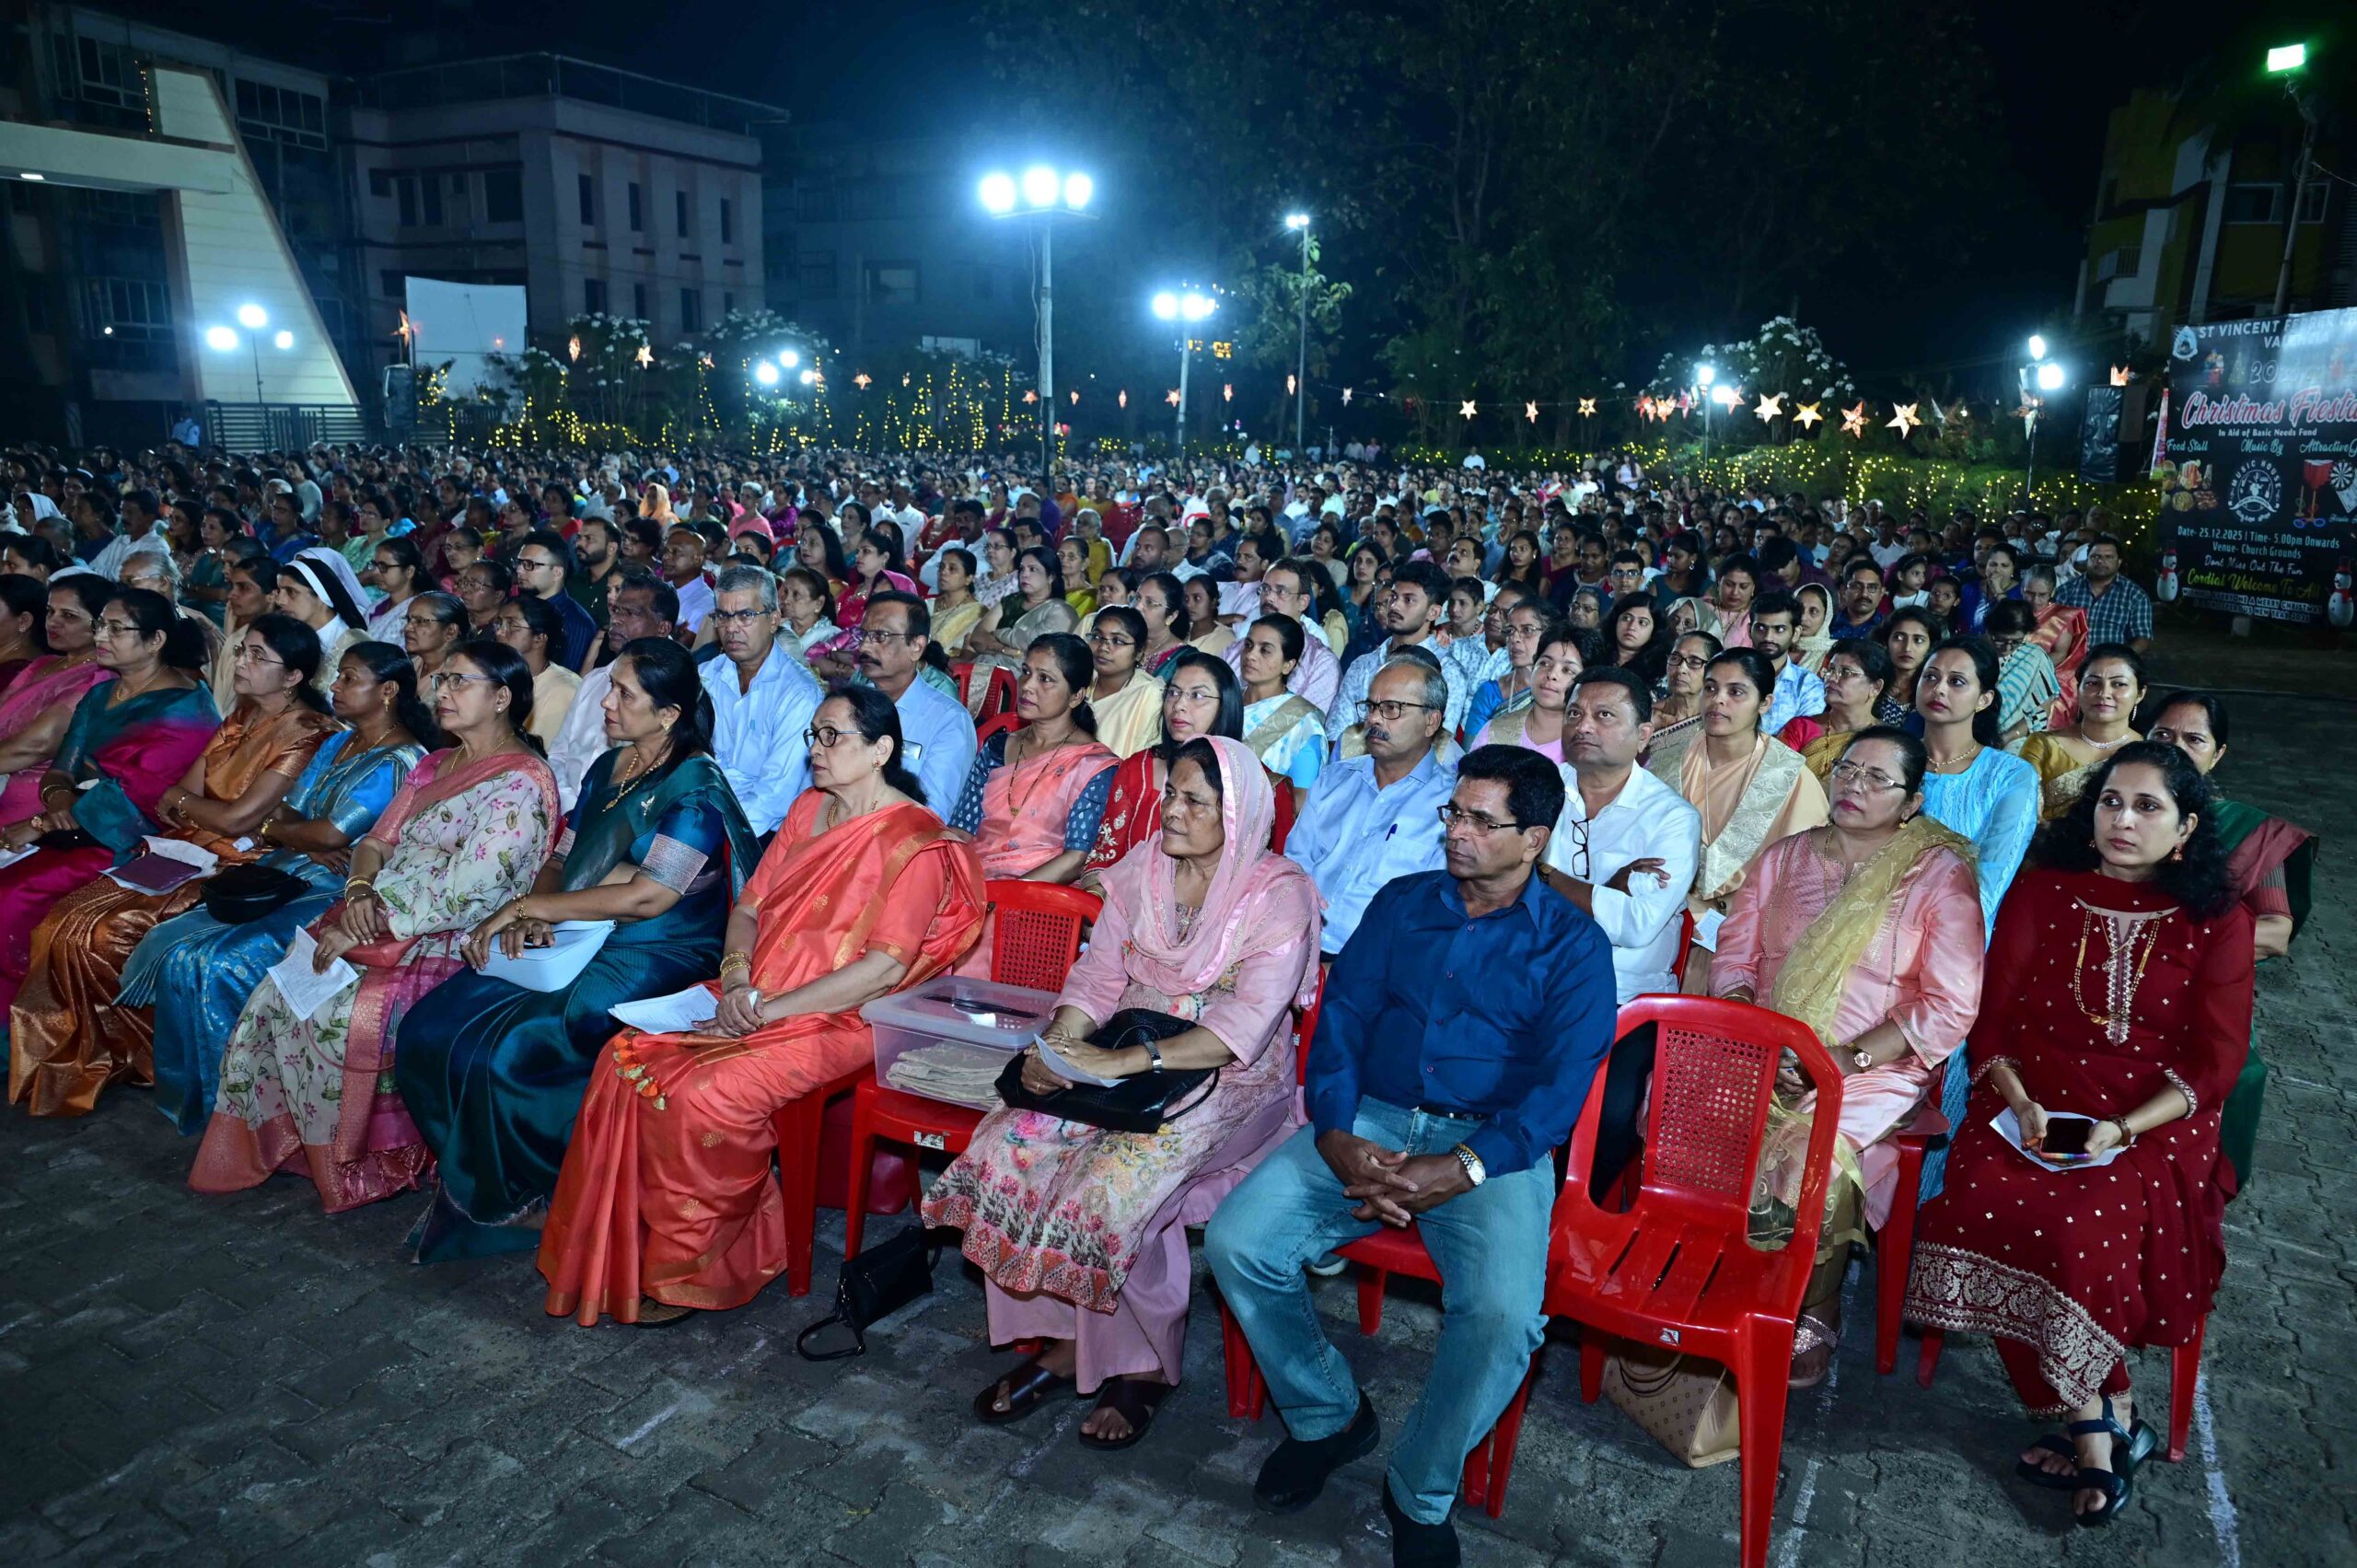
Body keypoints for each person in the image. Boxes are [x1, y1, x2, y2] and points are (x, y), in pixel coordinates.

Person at [1207, 748, 1616, 1564]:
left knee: (1504, 1317)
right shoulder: (1403, 904)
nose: (1457, 832)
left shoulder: (1573, 945)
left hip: (1493, 1145)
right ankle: (1328, 1415)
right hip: (1372, 1121)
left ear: (1534, 838)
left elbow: (1557, 1093)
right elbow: (1344, 1022)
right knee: (1238, 1241)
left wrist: (1462, 1165)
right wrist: (1334, 1131)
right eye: (1453, 813)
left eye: (1482, 820)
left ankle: (1420, 1486)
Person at [538, 685, 985, 1325]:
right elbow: (749, 907)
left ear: (881, 749)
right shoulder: (808, 810)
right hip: (754, 989)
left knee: (703, 1094)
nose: (816, 749)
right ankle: (630, 1246)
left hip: (845, 1017)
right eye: (812, 736)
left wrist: (764, 1011)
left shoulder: (917, 843)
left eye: (832, 736)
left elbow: (881, 971)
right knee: (623, 1058)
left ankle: (701, 1266)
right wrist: (736, 975)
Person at [927, 737, 1319, 1447]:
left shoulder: (1277, 893)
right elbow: (1098, 977)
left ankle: (1145, 1364)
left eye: (1196, 801)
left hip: (1229, 1074)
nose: (1173, 811)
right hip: (1126, 1050)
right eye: (1171, 794)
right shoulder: (1144, 868)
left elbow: (1243, 1026)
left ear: (1237, 815)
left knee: (1118, 1178)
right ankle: (1064, 1339)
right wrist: (1059, 1047)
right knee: (1013, 1139)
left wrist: (1120, 1061)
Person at [1906, 744, 2249, 1527]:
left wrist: (2121, 1128)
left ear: (2186, 828)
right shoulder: (2043, 890)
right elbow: (1993, 1022)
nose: (2123, 819)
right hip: (2031, 1106)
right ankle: (2109, 1410)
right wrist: (2023, 1105)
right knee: (1975, 1202)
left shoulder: (2217, 920)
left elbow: (2218, 1060)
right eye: (2110, 801)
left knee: (2076, 1224)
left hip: (2155, 1123)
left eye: (2148, 806)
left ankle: (2091, 1427)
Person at [396, 638, 763, 1262]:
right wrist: (539, 909)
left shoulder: (695, 792)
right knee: (429, 1027)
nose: (607, 702)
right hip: (578, 929)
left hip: (660, 948)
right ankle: (484, 1180)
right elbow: (563, 857)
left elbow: (650, 896)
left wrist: (533, 910)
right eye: (610, 687)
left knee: (515, 1047)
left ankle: (546, 1189)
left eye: (624, 693)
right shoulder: (607, 767)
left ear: (669, 714)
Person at [190, 639, 559, 1213]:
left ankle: (359, 1164)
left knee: (341, 1013)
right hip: (376, 908)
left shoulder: (522, 781)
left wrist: (376, 921)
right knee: (276, 994)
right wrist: (359, 889)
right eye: (442, 680)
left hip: (449, 934)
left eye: (459, 682)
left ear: (502, 697)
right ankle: (293, 1144)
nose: (441, 692)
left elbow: (472, 888)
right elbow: (376, 842)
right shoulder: (435, 763)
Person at [1712, 726, 1983, 1383]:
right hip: (1766, 1046)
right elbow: (1734, 958)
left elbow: (1949, 1004)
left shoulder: (1937, 875)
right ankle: (1720, 1276)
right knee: (1688, 1118)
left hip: (1873, 1065)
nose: (1853, 785)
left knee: (1811, 1154)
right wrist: (1760, 1033)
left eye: (1876, 778)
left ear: (1911, 801)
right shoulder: (1785, 858)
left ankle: (1816, 1299)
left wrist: (1844, 1058)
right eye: (1847, 770)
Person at [7, 613, 337, 1117]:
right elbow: (174, 798)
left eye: (257, 656)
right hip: (181, 847)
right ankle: (105, 1054)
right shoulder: (241, 716)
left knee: (106, 932)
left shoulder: (309, 730)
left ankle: (147, 1055)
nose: (241, 663)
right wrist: (195, 807)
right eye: (242, 651)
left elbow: (237, 817)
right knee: (64, 920)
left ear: (293, 676)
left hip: (239, 861)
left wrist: (192, 806)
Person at [124, 642, 432, 1134]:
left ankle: (250, 1112)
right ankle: (202, 1103)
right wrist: (297, 835)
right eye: (338, 675)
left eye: (349, 678)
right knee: (180, 953)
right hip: (287, 868)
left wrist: (301, 834)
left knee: (218, 961)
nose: (334, 686)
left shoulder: (403, 760)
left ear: (388, 690)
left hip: (342, 886)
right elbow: (289, 816)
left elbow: (332, 835)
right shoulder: (337, 742)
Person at [0, 590, 219, 1020]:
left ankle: (23, 1024)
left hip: (133, 840)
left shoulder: (185, 708)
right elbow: (61, 768)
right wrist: (57, 799)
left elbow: (140, 796)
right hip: (76, 824)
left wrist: (44, 823)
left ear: (156, 640)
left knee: (11, 896)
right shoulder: (102, 694)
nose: (101, 636)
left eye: (116, 629)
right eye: (101, 625)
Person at [2144, 691, 2314, 1191]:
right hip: (2102, 981)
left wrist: (2169, 945)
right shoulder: (2113, 810)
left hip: (2200, 993)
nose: (2175, 748)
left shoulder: (2249, 832)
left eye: (2194, 740)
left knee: (2236, 1071)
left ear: (2217, 754)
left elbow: (2276, 932)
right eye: (2162, 735)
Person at [1538, 668, 1701, 1003]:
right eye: (1574, 714)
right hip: (1533, 977)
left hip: (1622, 996)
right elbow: (1497, 889)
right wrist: (1606, 892)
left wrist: (1543, 875)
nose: (1583, 726)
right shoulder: (1536, 788)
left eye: (1604, 715)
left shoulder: (1672, 818)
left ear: (1643, 735)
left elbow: (1635, 926)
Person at [1673, 647, 1830, 985]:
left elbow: (1804, 882)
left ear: (1765, 703)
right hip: (1661, 920)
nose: (1718, 700)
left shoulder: (1790, 777)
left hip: (1744, 942)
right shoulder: (1672, 754)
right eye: (1711, 688)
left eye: (1736, 692)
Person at [1285, 657, 1458, 958]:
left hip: (1378, 963)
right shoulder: (1334, 779)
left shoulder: (1449, 807)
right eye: (1371, 707)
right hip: (1296, 944)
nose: (1374, 719)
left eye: (1391, 708)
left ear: (1431, 721)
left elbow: (1429, 915)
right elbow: (1294, 865)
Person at [946, 634, 1117, 884]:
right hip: (975, 882)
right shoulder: (998, 747)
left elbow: (1076, 858)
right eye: (1026, 672)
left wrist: (1006, 895)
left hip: (1040, 895)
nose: (1027, 685)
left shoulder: (1092, 765)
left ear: (1076, 696)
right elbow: (962, 829)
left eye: (1044, 678)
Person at [1081, 651, 1244, 887]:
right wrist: (1101, 895)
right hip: (1127, 902)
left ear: (1225, 705)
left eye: (1197, 695)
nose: (1179, 705)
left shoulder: (1252, 783)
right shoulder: (1138, 768)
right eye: (1173, 692)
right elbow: (1104, 858)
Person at [697, 565, 822, 838]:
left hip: (761, 834)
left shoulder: (798, 693)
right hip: (701, 815)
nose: (731, 628)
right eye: (723, 616)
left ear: (774, 619)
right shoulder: (704, 676)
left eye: (745, 616)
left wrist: (716, 834)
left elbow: (773, 797)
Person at [548, 573, 675, 808]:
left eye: (631, 613)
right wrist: (570, 806)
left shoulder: (677, 691)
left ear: (662, 628)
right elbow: (558, 754)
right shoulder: (595, 680)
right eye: (616, 610)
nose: (616, 620)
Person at [0, 576, 113, 827]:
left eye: (69, 616)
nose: (53, 621)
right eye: (50, 611)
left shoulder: (99, 677)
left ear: (101, 624)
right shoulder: (45, 663)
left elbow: (37, 746)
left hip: (37, 800)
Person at [853, 592, 976, 819]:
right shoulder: (850, 705)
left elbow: (932, 814)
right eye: (863, 635)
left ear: (916, 647)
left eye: (880, 636)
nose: (864, 647)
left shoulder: (948, 720)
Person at [1328, 561, 1470, 739]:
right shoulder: (1363, 665)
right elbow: (1336, 736)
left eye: (1408, 600)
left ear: (1433, 612)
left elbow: (1439, 743)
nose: (1394, 606)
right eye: (1393, 597)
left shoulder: (1448, 672)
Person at [2010, 643, 2145, 821]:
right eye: (2093, 683)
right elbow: (2024, 817)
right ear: (2078, 688)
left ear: (2140, 693)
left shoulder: (2147, 754)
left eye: (2118, 684)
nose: (2104, 693)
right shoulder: (2044, 745)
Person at [962, 546, 1079, 710]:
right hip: (988, 672)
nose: (1024, 574)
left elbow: (1039, 650)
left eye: (1033, 569)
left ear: (1051, 576)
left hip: (1027, 688)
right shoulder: (1011, 602)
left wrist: (998, 635)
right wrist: (1006, 650)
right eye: (1022, 569)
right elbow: (977, 638)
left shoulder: (1061, 611)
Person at [1222, 557, 1342, 710]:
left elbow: (1308, 720)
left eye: (1281, 591)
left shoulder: (1321, 663)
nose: (1269, 597)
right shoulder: (1237, 649)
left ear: (1303, 602)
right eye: (1265, 589)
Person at [1473, 617, 1582, 762]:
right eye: (1544, 663)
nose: (1551, 675)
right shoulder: (1495, 732)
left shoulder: (1589, 743)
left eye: (1567, 670)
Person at [1238, 614, 1327, 792]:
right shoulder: (1224, 702)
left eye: (1265, 650)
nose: (1251, 655)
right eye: (1248, 645)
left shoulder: (1304, 724)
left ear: (1288, 665)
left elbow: (1300, 796)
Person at [487, 594, 581, 749]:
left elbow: (543, 752)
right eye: (499, 623)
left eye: (511, 625)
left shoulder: (564, 689)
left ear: (539, 638)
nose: (499, 632)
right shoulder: (492, 673)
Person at [276, 549, 371, 698]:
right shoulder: (292, 635)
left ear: (321, 595)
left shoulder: (356, 645)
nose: (280, 601)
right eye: (279, 591)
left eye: (291, 592)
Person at [1458, 598, 1548, 742]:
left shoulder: (1559, 691)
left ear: (1549, 635)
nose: (1514, 638)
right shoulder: (1489, 693)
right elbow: (1471, 748)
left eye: (1527, 630)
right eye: (1510, 630)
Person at [1082, 606, 1167, 759]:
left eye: (1118, 641)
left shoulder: (1150, 694)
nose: (1103, 647)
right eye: (1097, 637)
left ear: (1139, 652)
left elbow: (1148, 758)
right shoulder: (1079, 679)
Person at [511, 530, 600, 671]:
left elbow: (567, 678)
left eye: (529, 564)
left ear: (557, 573)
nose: (519, 570)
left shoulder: (576, 624)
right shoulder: (515, 607)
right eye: (519, 563)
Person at [2055, 534, 2153, 656]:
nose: (2101, 561)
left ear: (2119, 562)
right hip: (2069, 661)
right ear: (2087, 560)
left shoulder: (2135, 595)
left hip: (2113, 662)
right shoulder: (2065, 592)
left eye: (2108, 557)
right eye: (2095, 556)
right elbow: (2053, 631)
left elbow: (2143, 638)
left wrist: (2120, 659)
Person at [1641, 630, 1717, 779]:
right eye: (1675, 659)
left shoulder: (1715, 723)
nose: (1681, 669)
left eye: (1694, 662)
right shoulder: (1646, 716)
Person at [1750, 592, 1827, 739]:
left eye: (1779, 629)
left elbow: (1802, 740)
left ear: (1796, 633)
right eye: (1761, 628)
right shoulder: (1730, 673)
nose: (1768, 637)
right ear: (1749, 629)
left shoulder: (1808, 685)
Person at [1874, 607, 1940, 726]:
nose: (1907, 648)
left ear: (1930, 647)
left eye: (1918, 640)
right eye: (1899, 638)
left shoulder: (1935, 690)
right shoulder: (1871, 684)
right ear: (1886, 642)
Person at [365, 537, 428, 644]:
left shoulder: (421, 612)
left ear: (409, 571)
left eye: (383, 566)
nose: (375, 572)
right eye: (375, 565)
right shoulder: (376, 607)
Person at [928, 547, 985, 656]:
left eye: (952, 568)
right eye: (941, 567)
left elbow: (969, 657)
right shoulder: (927, 606)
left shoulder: (978, 613)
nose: (943, 572)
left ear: (969, 578)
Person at [1133, 571, 1191, 677]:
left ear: (1172, 616)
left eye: (1149, 602)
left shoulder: (1185, 658)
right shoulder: (1125, 642)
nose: (1137, 607)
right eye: (1137, 598)